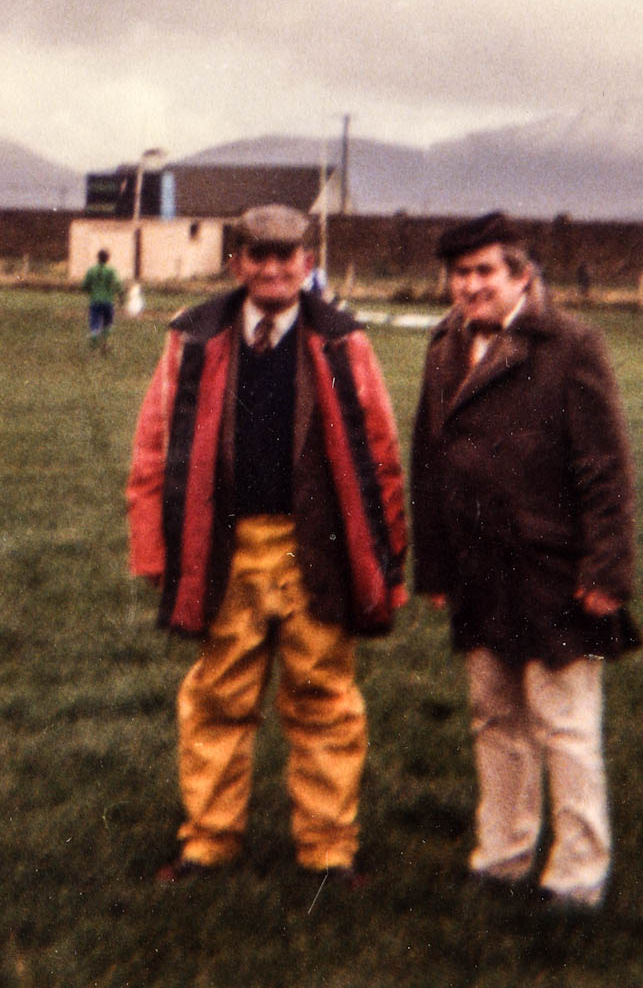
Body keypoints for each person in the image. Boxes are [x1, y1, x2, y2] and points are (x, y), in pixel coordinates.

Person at [127, 204, 407, 885]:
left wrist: (384, 561)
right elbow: (152, 449)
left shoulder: (345, 342)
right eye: (260, 256)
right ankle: (209, 843)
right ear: (237, 265)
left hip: (316, 549)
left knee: (324, 700)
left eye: (288, 257)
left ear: (307, 265)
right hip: (225, 549)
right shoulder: (192, 339)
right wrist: (152, 552)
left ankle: (329, 850)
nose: (274, 269)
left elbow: (381, 458)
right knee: (218, 698)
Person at [411, 212, 640, 909]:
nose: (471, 285)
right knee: (495, 716)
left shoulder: (572, 345)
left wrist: (605, 572)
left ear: (522, 276)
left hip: (552, 570)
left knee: (564, 723)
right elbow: (429, 460)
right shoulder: (444, 344)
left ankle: (578, 874)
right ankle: (503, 855)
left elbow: (606, 468)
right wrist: (437, 569)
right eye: (461, 273)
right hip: (477, 571)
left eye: (486, 271)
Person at [81, 249, 123, 351]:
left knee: (95, 322)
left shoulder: (91, 270)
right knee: (107, 324)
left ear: (98, 258)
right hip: (108, 301)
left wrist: (91, 291)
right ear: (108, 258)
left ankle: (95, 335)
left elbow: (84, 285)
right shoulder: (111, 270)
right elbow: (118, 284)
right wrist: (121, 296)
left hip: (95, 301)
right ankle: (104, 345)